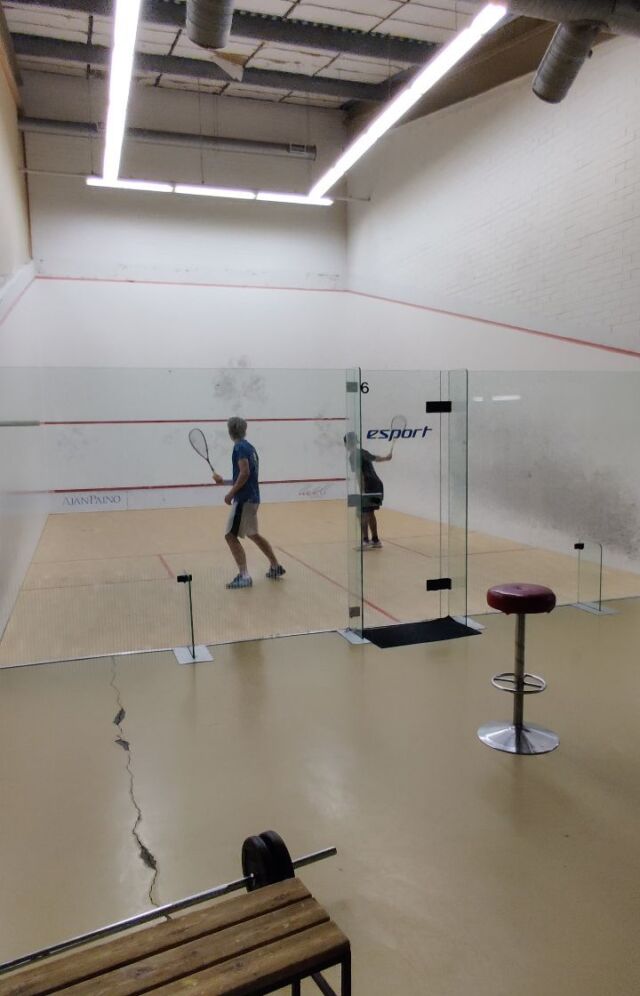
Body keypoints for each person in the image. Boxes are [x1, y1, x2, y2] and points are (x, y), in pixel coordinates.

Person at [213, 417, 285, 589]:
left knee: (230, 536)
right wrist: (224, 482)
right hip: (253, 498)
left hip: (244, 499)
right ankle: (275, 566)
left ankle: (244, 576)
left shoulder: (239, 447)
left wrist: (230, 493)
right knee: (253, 534)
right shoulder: (250, 448)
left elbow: (244, 474)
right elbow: (245, 475)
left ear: (230, 432)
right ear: (244, 430)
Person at [344, 432, 392, 549]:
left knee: (360, 513)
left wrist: (362, 491)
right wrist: (386, 458)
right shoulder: (363, 452)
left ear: (347, 443)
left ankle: (365, 541)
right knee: (370, 512)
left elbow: (359, 474)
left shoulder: (353, 456)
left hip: (369, 485)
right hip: (377, 484)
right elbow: (376, 458)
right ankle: (375, 540)